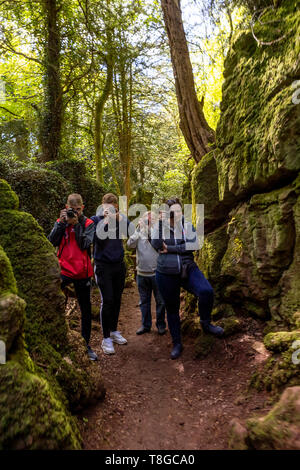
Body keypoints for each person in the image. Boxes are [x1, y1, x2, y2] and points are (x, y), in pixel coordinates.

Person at [151, 197, 224, 360]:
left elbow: (195, 245)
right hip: (166, 272)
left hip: (187, 267)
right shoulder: (160, 226)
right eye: (173, 211)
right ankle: (177, 343)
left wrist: (170, 248)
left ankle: (206, 323)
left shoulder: (186, 225)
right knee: (172, 308)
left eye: (179, 210)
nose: (177, 214)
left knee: (206, 291)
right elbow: (155, 244)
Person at [48, 193, 98, 361]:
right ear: (66, 207)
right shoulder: (61, 221)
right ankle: (57, 340)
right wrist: (62, 224)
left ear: (82, 208)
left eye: (77, 210)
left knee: (85, 308)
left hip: (82, 272)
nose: (74, 213)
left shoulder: (88, 223)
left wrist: (76, 225)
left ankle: (86, 345)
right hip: (63, 270)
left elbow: (85, 244)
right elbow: (51, 241)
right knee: (55, 303)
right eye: (71, 210)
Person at [91, 193, 134, 355]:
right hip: (103, 266)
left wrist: (119, 219)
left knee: (117, 299)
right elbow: (97, 240)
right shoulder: (95, 220)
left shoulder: (120, 219)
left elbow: (132, 232)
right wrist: (106, 221)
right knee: (107, 300)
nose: (110, 209)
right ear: (102, 206)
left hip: (119, 265)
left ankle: (114, 331)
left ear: (116, 207)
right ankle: (106, 338)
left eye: (113, 207)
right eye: (107, 206)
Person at [127, 211, 167, 336]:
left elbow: (161, 245)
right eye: (146, 219)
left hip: (157, 274)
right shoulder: (138, 233)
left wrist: (151, 230)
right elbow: (129, 245)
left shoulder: (159, 233)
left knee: (160, 301)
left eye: (151, 219)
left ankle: (160, 325)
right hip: (141, 274)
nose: (148, 222)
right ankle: (145, 325)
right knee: (144, 301)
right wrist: (139, 230)